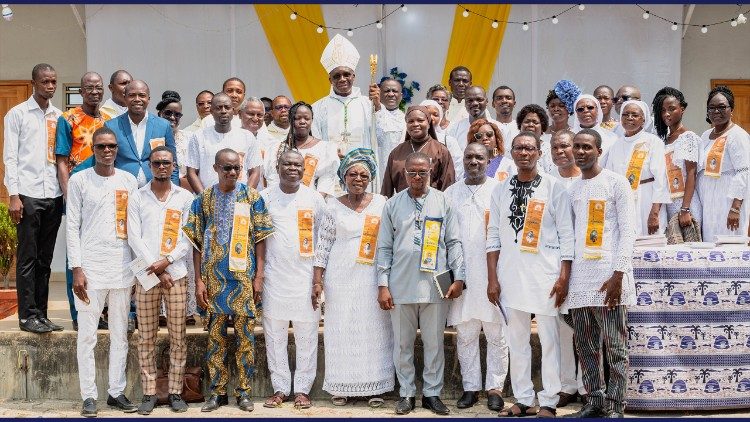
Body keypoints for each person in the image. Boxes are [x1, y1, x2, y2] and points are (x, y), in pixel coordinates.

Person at [487, 132, 574, 418]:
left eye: (530, 148)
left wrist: (563, 277)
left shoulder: (554, 188)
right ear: (511, 153)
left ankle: (548, 400)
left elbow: (566, 236)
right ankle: (523, 398)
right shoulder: (500, 190)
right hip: (510, 275)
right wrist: (492, 278)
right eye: (519, 148)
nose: (524, 153)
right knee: (517, 339)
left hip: (545, 276)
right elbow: (493, 237)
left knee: (549, 339)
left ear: (539, 153)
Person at [182, 148, 273, 412]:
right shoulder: (203, 199)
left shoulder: (252, 197)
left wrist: (259, 276)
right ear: (215, 168)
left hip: (244, 279)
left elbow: (261, 238)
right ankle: (217, 393)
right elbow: (196, 243)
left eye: (236, 168)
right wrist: (198, 281)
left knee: (246, 338)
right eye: (226, 168)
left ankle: (244, 392)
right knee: (216, 339)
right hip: (213, 279)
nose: (232, 172)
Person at [377, 151, 465, 416]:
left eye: (422, 172)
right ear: (404, 174)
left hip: (435, 283)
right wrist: (382, 284)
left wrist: (459, 277)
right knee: (402, 344)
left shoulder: (443, 202)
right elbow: (384, 248)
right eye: (412, 172)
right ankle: (405, 394)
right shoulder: (392, 204)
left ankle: (432, 393)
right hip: (400, 284)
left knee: (434, 343)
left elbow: (454, 242)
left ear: (431, 173)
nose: (417, 177)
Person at [561, 129, 636, 419]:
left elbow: (628, 230)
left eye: (586, 147)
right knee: (586, 345)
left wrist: (619, 274)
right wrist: (566, 279)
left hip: (609, 277)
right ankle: (594, 400)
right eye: (576, 147)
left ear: (599, 150)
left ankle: (616, 406)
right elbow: (570, 237)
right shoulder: (572, 189)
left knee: (615, 345)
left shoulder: (616, 183)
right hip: (581, 279)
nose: (580, 152)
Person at [312, 149, 395, 406]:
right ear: (343, 176)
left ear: (370, 178)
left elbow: (390, 240)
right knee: (341, 328)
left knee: (375, 328)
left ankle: (376, 387)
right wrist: (318, 280)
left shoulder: (382, 203)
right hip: (340, 276)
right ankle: (342, 385)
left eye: (364, 174)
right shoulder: (332, 205)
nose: (358, 178)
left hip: (373, 275)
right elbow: (323, 245)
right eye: (352, 174)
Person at [67, 127, 139, 417]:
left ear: (117, 149)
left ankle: (115, 392)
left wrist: (137, 269)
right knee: (87, 335)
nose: (107, 151)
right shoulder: (79, 181)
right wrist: (77, 269)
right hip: (91, 270)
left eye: (111, 146)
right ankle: (88, 396)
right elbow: (72, 225)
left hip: (122, 268)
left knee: (120, 334)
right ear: (93, 149)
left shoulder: (129, 180)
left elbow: (136, 226)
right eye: (100, 146)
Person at [127, 146, 194, 414]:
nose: (162, 167)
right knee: (146, 337)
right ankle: (149, 393)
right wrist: (157, 269)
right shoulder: (137, 197)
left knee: (178, 335)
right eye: (156, 163)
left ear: (174, 165)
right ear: (150, 166)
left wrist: (166, 262)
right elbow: (134, 237)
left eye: (166, 162)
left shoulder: (185, 197)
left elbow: (187, 237)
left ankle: (176, 392)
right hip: (146, 276)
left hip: (176, 274)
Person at [260, 150, 326, 410]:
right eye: (287, 164)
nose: (292, 168)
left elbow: (322, 240)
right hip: (274, 279)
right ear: (278, 167)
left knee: (307, 336)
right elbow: (258, 240)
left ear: (304, 169)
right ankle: (280, 388)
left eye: (297, 165)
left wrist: (318, 280)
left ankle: (302, 390)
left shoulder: (314, 198)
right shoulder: (264, 198)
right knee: (274, 336)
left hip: (306, 279)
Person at [444, 143, 508, 412]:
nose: (473, 161)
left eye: (479, 157)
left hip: (494, 274)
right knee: (466, 332)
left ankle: (495, 388)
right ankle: (470, 387)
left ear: (489, 159)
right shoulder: (450, 193)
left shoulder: (500, 189)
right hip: (462, 275)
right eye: (469, 157)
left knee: (496, 334)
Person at [3, 63, 64, 334]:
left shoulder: (59, 116)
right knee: (27, 258)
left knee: (45, 259)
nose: (50, 86)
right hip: (27, 194)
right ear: (33, 83)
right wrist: (13, 196)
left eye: (53, 81)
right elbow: (10, 158)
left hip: (53, 194)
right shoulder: (17, 115)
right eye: (45, 82)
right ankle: (27, 315)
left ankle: (42, 314)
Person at [55, 71, 111, 331]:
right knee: (76, 255)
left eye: (98, 87)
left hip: (105, 194)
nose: (95, 92)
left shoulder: (109, 120)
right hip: (79, 193)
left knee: (101, 251)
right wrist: (68, 195)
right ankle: (79, 314)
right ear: (81, 90)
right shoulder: (69, 119)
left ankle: (100, 311)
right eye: (89, 88)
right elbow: (62, 161)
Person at [603, 100, 670, 236]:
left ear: (643, 119)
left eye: (635, 115)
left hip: (648, 199)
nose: (629, 118)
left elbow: (661, 178)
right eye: (625, 114)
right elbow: (610, 179)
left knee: (650, 244)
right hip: (624, 201)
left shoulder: (653, 141)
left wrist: (655, 212)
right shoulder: (616, 145)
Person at [312, 34, 378, 158]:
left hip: (361, 167)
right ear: (330, 80)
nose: (342, 79)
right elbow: (316, 142)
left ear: (353, 76)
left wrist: (378, 106)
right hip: (331, 166)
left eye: (346, 74)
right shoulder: (317, 108)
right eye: (337, 76)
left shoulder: (367, 104)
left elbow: (379, 137)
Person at [698, 86, 750, 241]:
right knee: (710, 242)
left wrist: (735, 208)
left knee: (728, 242)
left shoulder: (737, 135)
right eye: (711, 108)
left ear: (731, 109)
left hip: (728, 199)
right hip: (708, 200)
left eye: (722, 107)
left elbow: (744, 171)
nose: (716, 112)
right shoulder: (706, 135)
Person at [105, 80, 179, 187]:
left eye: (142, 95)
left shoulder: (163, 125)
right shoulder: (111, 126)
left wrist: (174, 191)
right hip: (122, 189)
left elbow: (173, 162)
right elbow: (106, 162)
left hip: (156, 190)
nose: (137, 99)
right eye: (132, 95)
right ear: (125, 97)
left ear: (148, 99)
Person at [651, 87, 703, 237]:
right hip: (669, 204)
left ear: (682, 109)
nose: (666, 114)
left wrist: (685, 209)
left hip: (686, 204)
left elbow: (691, 174)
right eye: (663, 110)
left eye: (672, 109)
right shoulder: (663, 139)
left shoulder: (687, 137)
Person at [186, 93, 262, 192]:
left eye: (227, 107)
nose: (223, 111)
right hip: (207, 199)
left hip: (239, 200)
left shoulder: (247, 136)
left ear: (233, 111)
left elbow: (255, 172)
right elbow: (191, 172)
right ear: (211, 111)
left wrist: (245, 197)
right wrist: (204, 199)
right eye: (219, 108)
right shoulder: (198, 136)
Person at [264, 102, 339, 197]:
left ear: (312, 120)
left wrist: (313, 203)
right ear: (290, 120)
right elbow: (273, 179)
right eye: (298, 118)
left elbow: (326, 180)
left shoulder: (325, 148)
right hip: (281, 203)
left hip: (311, 205)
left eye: (307, 118)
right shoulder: (276, 148)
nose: (302, 121)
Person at [381, 106, 455, 197]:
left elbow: (448, 187)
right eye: (410, 121)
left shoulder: (441, 151)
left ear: (428, 123)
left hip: (432, 207)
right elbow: (386, 190)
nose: (415, 124)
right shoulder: (396, 153)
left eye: (420, 120)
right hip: (402, 208)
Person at [420, 99, 463, 179]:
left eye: (435, 115)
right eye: (428, 114)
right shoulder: (411, 140)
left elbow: (458, 167)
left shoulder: (449, 141)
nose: (431, 117)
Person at [447, 86, 497, 151]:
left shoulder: (498, 127)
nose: (475, 103)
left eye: (479, 99)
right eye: (470, 100)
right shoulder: (454, 129)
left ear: (487, 101)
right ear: (465, 103)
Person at [373, 78, 406, 178]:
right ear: (379, 94)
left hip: (400, 169)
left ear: (401, 95)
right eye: (387, 91)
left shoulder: (407, 119)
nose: (391, 94)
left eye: (395, 91)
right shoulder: (371, 116)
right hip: (377, 168)